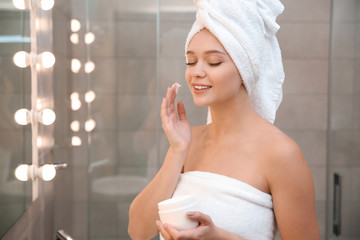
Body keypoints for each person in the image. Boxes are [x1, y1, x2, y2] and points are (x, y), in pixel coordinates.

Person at [128, 0, 320, 239]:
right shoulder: (189, 142)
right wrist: (177, 151)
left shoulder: (281, 154)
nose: (196, 71)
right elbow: (138, 231)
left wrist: (219, 237)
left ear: (244, 69)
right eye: (190, 61)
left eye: (213, 62)